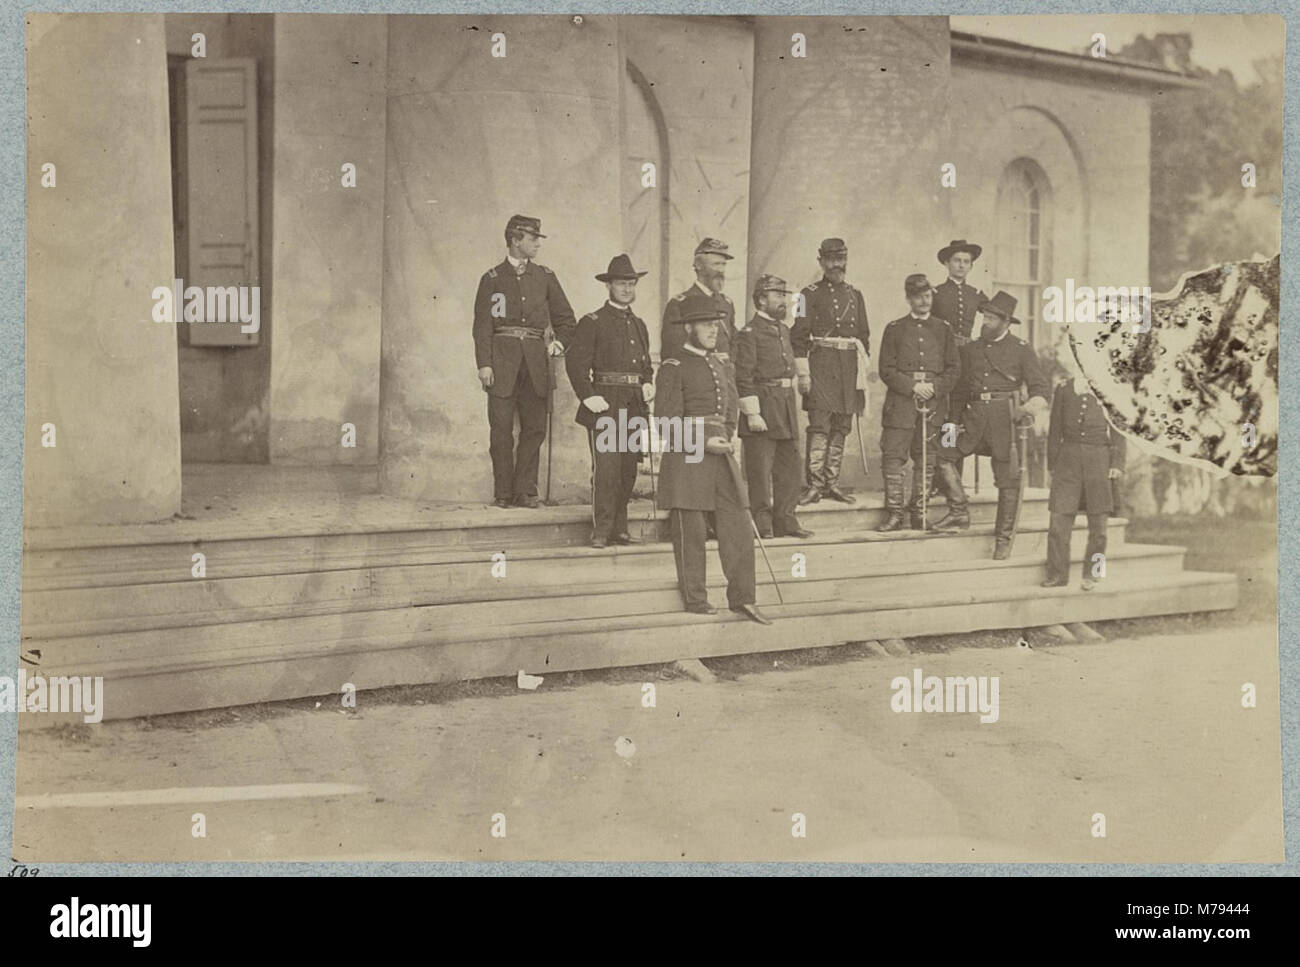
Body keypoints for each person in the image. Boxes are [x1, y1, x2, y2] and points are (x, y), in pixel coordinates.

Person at [655, 309, 770, 625]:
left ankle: (743, 598)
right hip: (688, 455)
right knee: (690, 530)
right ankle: (696, 598)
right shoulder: (673, 366)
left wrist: (725, 437)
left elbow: (730, 408)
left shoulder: (721, 364)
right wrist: (703, 443)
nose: (712, 331)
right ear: (688, 325)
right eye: (705, 325)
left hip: (720, 452)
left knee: (737, 524)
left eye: (715, 325)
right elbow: (666, 422)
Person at [931, 291, 1050, 559]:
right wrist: (950, 427)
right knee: (942, 454)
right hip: (972, 421)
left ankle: (1003, 539)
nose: (984, 322)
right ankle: (959, 512)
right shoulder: (971, 349)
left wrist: (1028, 408)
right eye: (984, 317)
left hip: (1005, 423)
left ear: (1006, 322)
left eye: (991, 318)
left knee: (1008, 481)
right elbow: (959, 393)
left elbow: (1041, 388)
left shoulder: (1021, 349)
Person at [472, 214, 576, 508]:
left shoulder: (545, 277)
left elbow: (567, 320)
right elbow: (482, 326)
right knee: (501, 430)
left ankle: (525, 491)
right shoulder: (492, 279)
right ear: (515, 240)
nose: (537, 245)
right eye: (532, 239)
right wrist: (485, 364)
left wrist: (558, 345)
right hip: (501, 364)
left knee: (534, 429)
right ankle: (503, 492)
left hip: (536, 364)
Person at [566, 255, 655, 548]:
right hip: (605, 404)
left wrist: (648, 383)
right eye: (621, 284)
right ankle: (601, 530)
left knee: (628, 469)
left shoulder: (639, 325)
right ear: (609, 286)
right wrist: (588, 395)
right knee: (607, 470)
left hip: (633, 405)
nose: (627, 289)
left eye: (631, 284)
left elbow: (645, 367)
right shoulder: (593, 322)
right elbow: (576, 364)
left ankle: (619, 528)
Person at [876, 273, 962, 532]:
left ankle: (919, 514)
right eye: (918, 297)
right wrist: (913, 386)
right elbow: (886, 369)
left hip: (933, 404)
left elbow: (953, 369)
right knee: (893, 456)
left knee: (927, 458)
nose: (924, 301)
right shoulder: (895, 329)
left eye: (927, 296)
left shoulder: (943, 329)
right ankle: (894, 514)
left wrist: (933, 388)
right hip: (901, 403)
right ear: (908, 299)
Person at [791, 238, 871, 504]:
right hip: (821, 364)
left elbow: (864, 335)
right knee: (819, 425)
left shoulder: (856, 295)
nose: (837, 264)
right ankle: (814, 483)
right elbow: (797, 336)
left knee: (842, 425)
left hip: (848, 366)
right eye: (831, 259)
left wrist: (861, 371)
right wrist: (803, 372)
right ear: (821, 261)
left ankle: (831, 482)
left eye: (841, 259)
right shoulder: (805, 294)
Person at [734, 274, 813, 540]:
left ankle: (786, 520)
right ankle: (762, 524)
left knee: (789, 468)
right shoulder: (748, 333)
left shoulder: (784, 330)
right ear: (760, 299)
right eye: (777, 295)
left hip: (785, 404)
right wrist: (752, 413)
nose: (783, 301)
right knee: (759, 470)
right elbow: (742, 376)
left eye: (784, 295)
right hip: (763, 406)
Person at [1042, 354, 1127, 590]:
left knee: (1099, 527)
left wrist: (1117, 463)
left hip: (1099, 461)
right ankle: (1057, 575)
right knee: (1058, 523)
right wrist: (1053, 465)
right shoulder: (1064, 390)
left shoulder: (1110, 390)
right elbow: (1054, 430)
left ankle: (1094, 574)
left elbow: (1120, 430)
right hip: (1067, 462)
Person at [659, 238, 737, 365]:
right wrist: (709, 358)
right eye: (716, 264)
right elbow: (672, 350)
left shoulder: (726, 303)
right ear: (699, 266)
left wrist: (729, 360)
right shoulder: (679, 303)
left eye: (723, 265)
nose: (721, 270)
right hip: (695, 378)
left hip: (724, 378)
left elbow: (734, 343)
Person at [930, 239, 988, 343]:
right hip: (941, 347)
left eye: (966, 262)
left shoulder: (975, 293)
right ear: (947, 263)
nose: (961, 265)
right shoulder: (936, 292)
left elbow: (995, 314)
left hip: (967, 350)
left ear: (970, 267)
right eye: (957, 260)